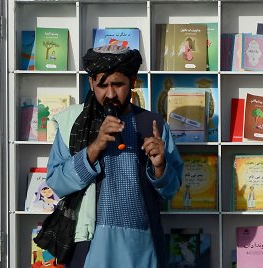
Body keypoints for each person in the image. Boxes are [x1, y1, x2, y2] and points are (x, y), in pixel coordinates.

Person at [45, 45, 183, 268]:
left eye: (118, 85)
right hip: (89, 245)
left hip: (141, 245)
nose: (110, 94)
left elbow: (171, 190)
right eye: (102, 85)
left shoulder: (152, 123)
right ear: (91, 83)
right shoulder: (71, 122)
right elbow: (56, 183)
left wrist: (160, 166)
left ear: (133, 81)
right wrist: (95, 146)